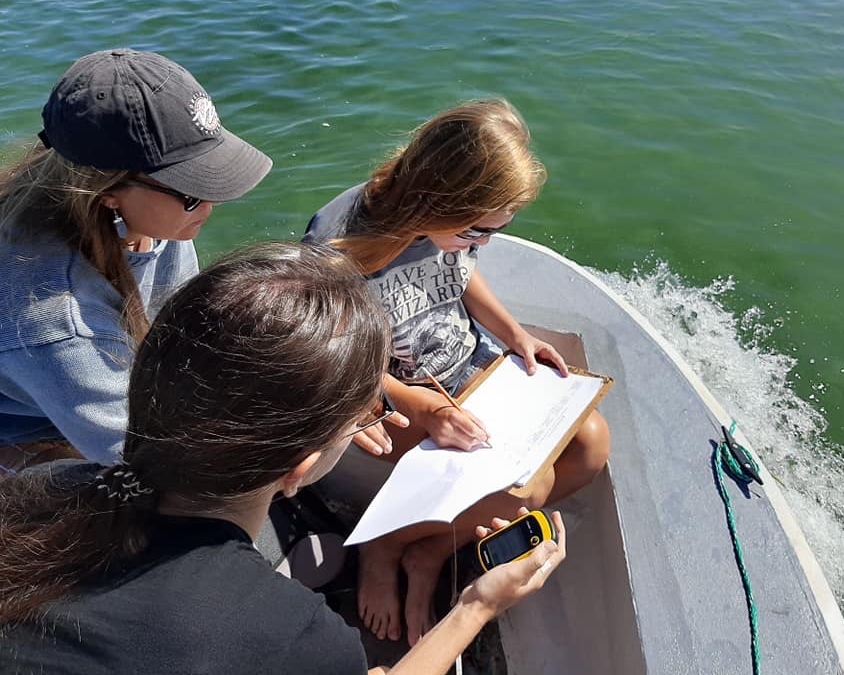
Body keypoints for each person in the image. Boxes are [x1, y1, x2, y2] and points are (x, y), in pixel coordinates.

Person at [0, 241, 566, 675]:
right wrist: (475, 605)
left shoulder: (42, 486)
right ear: (299, 467)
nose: (378, 420)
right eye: (367, 417)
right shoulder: (286, 635)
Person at [302, 98, 609, 645]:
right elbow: (333, 352)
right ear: (435, 199)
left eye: (497, 230)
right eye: (476, 231)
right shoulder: (337, 243)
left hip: (470, 370)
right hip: (393, 400)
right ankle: (386, 546)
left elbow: (463, 274)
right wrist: (420, 404)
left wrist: (516, 335)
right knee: (526, 486)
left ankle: (426, 551)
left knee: (592, 442)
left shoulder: (451, 230)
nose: (484, 244)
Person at [0, 48, 272, 470]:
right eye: (193, 191)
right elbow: (145, 456)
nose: (211, 204)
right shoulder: (59, 319)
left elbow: (181, 329)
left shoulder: (156, 217)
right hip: (34, 433)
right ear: (107, 191)